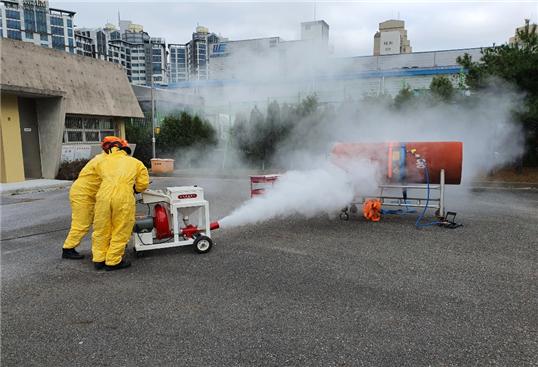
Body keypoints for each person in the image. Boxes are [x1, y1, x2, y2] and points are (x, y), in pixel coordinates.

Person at [91, 138, 149, 271]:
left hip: (103, 196)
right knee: (121, 228)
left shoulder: (102, 161)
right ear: (126, 151)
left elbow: (98, 176)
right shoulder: (135, 162)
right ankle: (113, 261)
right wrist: (136, 189)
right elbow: (143, 183)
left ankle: (99, 259)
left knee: (101, 228)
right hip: (123, 197)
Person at [61, 136, 122, 260]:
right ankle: (68, 249)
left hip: (92, 194)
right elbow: (111, 178)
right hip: (82, 194)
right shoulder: (102, 161)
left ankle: (108, 245)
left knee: (103, 220)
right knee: (82, 222)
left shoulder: (106, 159)